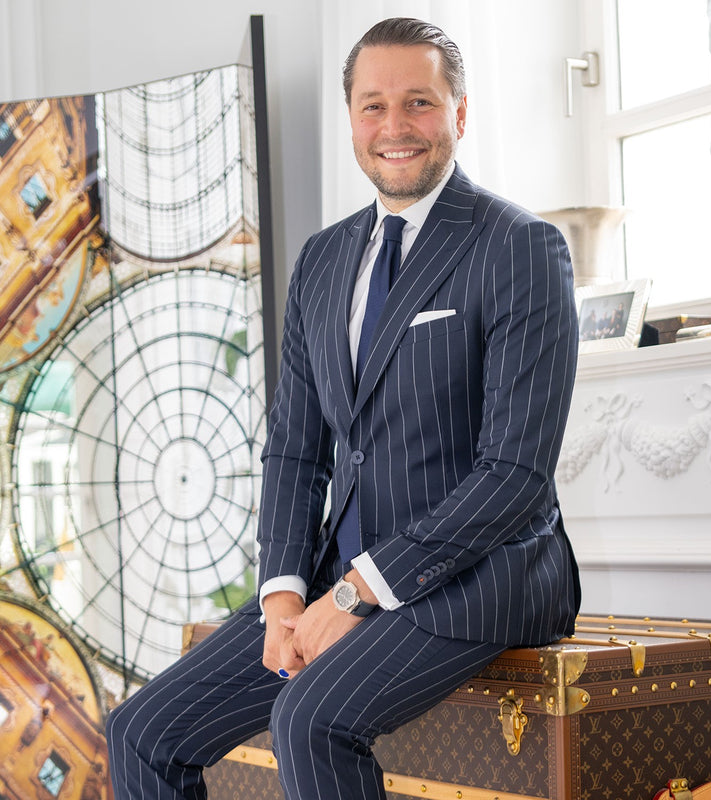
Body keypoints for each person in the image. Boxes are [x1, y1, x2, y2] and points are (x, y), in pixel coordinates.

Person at [106, 17, 581, 800]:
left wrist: (358, 591)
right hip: (338, 576)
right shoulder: (323, 258)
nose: (395, 126)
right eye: (373, 106)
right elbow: (295, 448)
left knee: (309, 720)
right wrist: (285, 595)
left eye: (419, 102)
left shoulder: (519, 247)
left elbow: (515, 475)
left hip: (483, 576)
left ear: (460, 114)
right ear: (352, 119)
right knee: (142, 732)